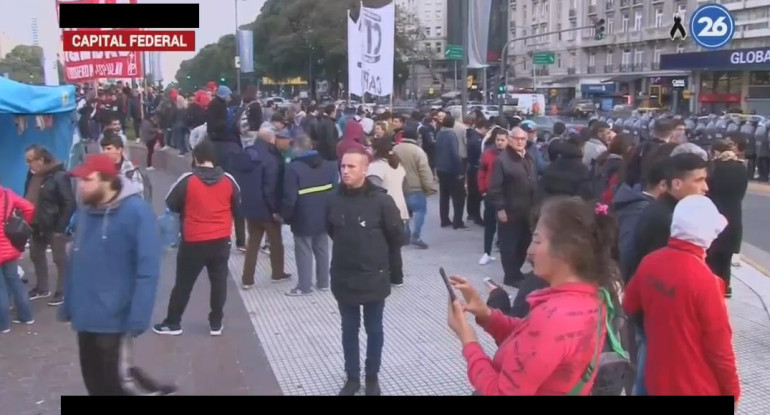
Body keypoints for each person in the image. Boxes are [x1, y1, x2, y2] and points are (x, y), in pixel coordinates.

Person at [447, 196, 616, 395]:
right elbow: (531, 339)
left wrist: (467, 339)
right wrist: (487, 315)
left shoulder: (554, 317)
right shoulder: (591, 299)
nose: (530, 251)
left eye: (537, 241)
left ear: (566, 252)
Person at [59, 154, 173, 395]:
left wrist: (139, 316)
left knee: (116, 387)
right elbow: (75, 261)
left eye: (87, 180)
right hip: (85, 319)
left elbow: (148, 269)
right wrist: (68, 304)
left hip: (114, 319)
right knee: (95, 386)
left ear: (107, 180)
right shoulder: (85, 212)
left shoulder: (137, 213)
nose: (81, 186)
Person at [624, 195, 740, 401]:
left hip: (656, 378)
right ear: (708, 235)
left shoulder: (650, 262)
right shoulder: (706, 281)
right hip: (696, 386)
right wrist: (733, 391)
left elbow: (629, 304)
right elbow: (720, 349)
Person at [327, 149, 403, 396]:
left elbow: (396, 237)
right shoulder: (334, 198)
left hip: (373, 277)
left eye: (351, 167)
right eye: (343, 166)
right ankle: (352, 377)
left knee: (374, 329)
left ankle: (372, 377)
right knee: (349, 328)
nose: (345, 171)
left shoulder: (381, 201)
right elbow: (332, 230)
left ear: (364, 170)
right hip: (344, 276)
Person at [153, 140, 240, 336]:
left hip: (193, 239)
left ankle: (173, 322)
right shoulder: (228, 180)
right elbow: (237, 206)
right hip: (221, 239)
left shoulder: (188, 180)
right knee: (219, 282)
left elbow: (171, 203)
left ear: (196, 157)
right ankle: (216, 323)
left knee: (183, 283)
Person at [230, 128, 291, 288]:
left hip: (249, 206)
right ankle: (277, 273)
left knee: (253, 243)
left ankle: (247, 279)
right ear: (271, 139)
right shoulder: (270, 158)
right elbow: (270, 188)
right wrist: (275, 210)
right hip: (266, 208)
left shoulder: (247, 153)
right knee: (276, 242)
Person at [281, 134, 338, 296]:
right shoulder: (329, 166)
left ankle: (304, 286)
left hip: (303, 214)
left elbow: (290, 197)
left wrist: (286, 216)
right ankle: (323, 282)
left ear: (297, 148)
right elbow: (335, 190)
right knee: (322, 248)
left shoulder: (293, 168)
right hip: (324, 213)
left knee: (303, 250)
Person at [24, 145, 76, 306]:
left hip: (54, 225)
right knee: (35, 255)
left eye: (30, 160)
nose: (28, 164)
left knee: (59, 259)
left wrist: (61, 227)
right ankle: (42, 288)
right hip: (36, 224)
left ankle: (62, 291)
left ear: (41, 160)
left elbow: (69, 202)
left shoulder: (59, 176)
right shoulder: (32, 175)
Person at [487, 127, 537, 288]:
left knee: (524, 243)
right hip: (509, 211)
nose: (520, 142)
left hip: (527, 210)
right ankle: (510, 276)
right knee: (509, 245)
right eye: (517, 139)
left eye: (523, 139)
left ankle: (516, 272)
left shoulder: (528, 157)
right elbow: (495, 187)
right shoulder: (502, 160)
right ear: (510, 139)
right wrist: (500, 209)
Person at [706, 140, 749, 298]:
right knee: (726, 255)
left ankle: (713, 285)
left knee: (713, 254)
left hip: (715, 213)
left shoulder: (714, 168)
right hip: (734, 215)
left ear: (716, 152)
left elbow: (709, 191)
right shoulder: (742, 168)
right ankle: (726, 285)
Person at [367, 137, 408, 286]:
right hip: (400, 208)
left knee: (381, 245)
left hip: (383, 210)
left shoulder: (375, 167)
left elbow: (374, 190)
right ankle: (397, 277)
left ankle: (383, 275)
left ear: (377, 150)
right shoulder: (398, 165)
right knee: (395, 247)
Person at [393, 123, 435, 249]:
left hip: (399, 187)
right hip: (415, 187)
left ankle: (405, 235)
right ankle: (416, 236)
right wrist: (429, 187)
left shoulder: (395, 149)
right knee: (420, 211)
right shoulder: (418, 151)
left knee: (403, 213)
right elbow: (424, 171)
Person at [0, 183, 35, 333]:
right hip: (9, 246)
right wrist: (21, 224)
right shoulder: (7, 193)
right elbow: (29, 207)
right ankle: (26, 316)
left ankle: (4, 325)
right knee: (15, 281)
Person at [477, 127, 508, 266]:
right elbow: (481, 173)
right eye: (498, 140)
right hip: (490, 195)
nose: (500, 142)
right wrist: (483, 190)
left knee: (505, 226)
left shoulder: (510, 156)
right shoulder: (488, 154)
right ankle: (486, 252)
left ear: (508, 141)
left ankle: (505, 254)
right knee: (489, 225)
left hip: (506, 196)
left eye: (502, 140)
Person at [435, 114, 466, 229]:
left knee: (444, 196)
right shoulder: (451, 135)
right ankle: (457, 221)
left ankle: (444, 219)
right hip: (451, 170)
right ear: (453, 124)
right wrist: (460, 170)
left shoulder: (439, 133)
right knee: (458, 197)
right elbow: (454, 153)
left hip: (441, 168)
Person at [466, 119, 490, 226]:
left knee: (472, 193)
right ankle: (476, 216)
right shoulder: (477, 139)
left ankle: (470, 213)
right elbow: (479, 153)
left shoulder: (472, 136)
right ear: (483, 127)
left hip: (471, 167)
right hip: (475, 167)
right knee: (476, 194)